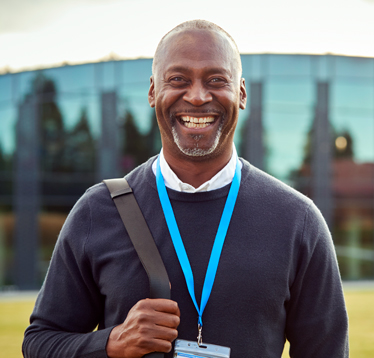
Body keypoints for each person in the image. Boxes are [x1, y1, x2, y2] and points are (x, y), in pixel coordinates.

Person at [23, 20, 349, 358]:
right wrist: (111, 343)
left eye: (216, 80)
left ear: (241, 93)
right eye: (178, 79)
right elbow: (40, 342)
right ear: (152, 92)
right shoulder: (98, 209)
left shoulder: (297, 219)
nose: (197, 96)